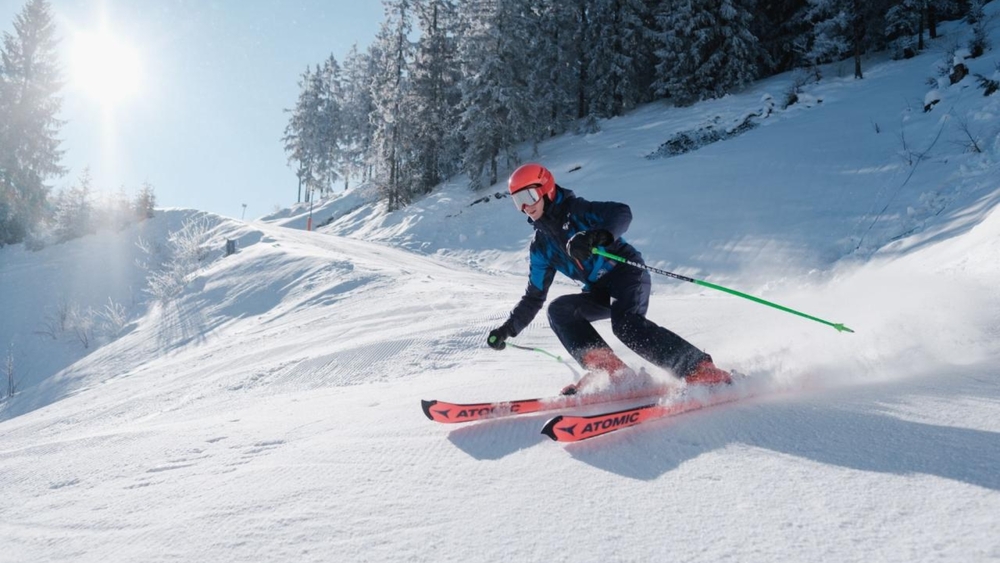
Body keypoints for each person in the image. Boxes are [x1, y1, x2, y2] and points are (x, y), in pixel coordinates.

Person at [487, 163, 731, 395]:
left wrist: (595, 236)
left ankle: (698, 369)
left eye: (528, 196)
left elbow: (621, 212)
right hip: (598, 288)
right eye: (517, 201)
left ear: (545, 188)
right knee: (559, 310)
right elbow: (534, 296)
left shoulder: (577, 210)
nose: (525, 207)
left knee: (626, 325)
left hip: (626, 273)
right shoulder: (541, 246)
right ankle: (611, 372)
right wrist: (508, 329)